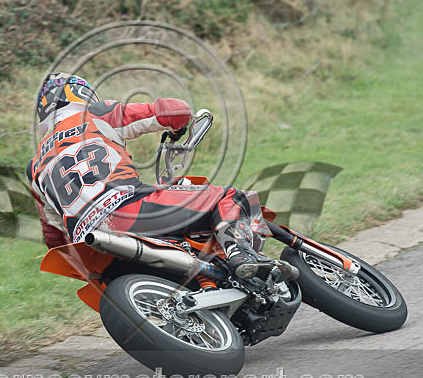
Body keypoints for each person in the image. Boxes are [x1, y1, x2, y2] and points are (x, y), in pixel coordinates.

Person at [26, 72, 279, 281]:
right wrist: (178, 125)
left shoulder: (35, 165)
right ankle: (241, 254)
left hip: (88, 243)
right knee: (230, 196)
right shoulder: (97, 113)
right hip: (128, 209)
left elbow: (54, 237)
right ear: (81, 94)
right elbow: (175, 110)